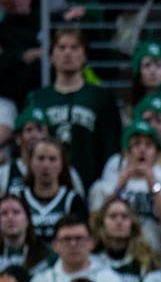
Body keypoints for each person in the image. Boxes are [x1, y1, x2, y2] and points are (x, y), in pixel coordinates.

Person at [26, 28, 121, 189]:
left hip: (92, 184)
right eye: (61, 48)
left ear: (85, 55)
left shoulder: (101, 97)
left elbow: (112, 147)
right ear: (51, 55)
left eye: (74, 48)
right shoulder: (37, 98)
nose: (67, 53)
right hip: (46, 187)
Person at [88, 121, 161, 252]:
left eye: (149, 145)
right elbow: (95, 228)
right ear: (126, 152)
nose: (142, 150)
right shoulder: (102, 187)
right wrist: (119, 187)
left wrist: (154, 187)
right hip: (110, 260)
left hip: (153, 261)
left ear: (157, 155)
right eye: (136, 144)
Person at [26, 213, 126, 282]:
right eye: (66, 239)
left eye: (79, 238)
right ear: (55, 245)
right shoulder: (42, 279)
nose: (73, 244)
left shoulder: (109, 278)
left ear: (91, 243)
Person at [90, 196, 160, 282]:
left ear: (132, 223)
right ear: (102, 223)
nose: (119, 221)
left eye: (124, 216)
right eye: (113, 216)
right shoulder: (92, 260)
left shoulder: (146, 260)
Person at [21, 137, 88, 243]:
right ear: (30, 163)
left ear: (62, 164)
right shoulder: (19, 199)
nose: (46, 165)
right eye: (40, 158)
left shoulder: (73, 200)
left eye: (52, 159)